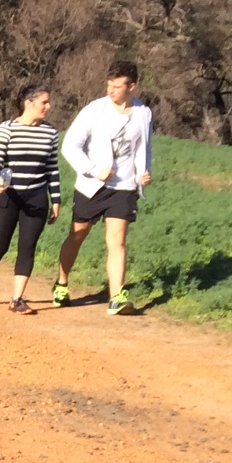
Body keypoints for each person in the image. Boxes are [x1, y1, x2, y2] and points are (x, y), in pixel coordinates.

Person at [55, 60, 153, 316]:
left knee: (117, 241)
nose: (110, 90)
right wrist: (92, 169)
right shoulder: (94, 110)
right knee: (78, 235)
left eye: (117, 86)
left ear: (132, 86)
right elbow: (70, 146)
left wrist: (144, 171)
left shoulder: (143, 113)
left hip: (124, 187)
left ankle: (116, 297)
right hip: (92, 186)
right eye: (108, 84)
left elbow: (144, 147)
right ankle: (62, 284)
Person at [0, 83, 61, 314]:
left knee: (27, 247)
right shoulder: (7, 128)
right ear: (28, 103)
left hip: (37, 197)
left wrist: (56, 199)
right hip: (8, 196)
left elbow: (52, 168)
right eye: (44, 102)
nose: (48, 107)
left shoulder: (50, 133)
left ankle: (16, 299)